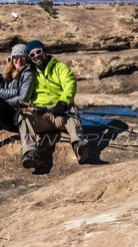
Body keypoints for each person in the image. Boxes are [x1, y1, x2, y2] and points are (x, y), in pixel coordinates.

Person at [18, 40, 89, 169]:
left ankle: (79, 145)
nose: (36, 56)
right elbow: (14, 76)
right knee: (23, 114)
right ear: (29, 58)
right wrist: (34, 108)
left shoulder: (59, 67)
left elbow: (70, 83)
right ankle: (30, 153)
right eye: (32, 55)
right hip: (40, 117)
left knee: (71, 108)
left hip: (59, 114)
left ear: (44, 51)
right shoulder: (29, 73)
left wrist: (62, 102)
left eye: (38, 51)